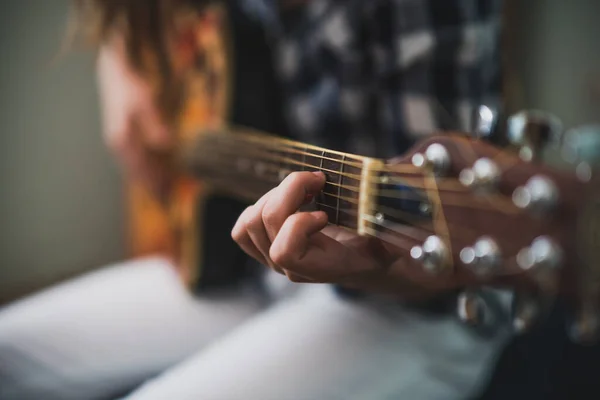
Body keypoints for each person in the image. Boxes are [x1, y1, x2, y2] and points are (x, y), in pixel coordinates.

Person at [0, 0, 520, 399]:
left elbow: (440, 235)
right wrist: (118, 55)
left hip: (422, 302)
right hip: (249, 268)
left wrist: (358, 264)